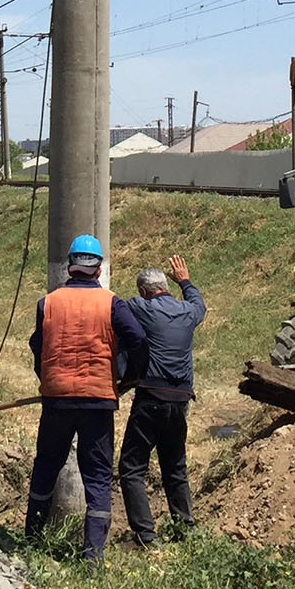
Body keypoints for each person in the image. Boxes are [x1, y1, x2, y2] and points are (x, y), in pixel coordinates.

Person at [25, 234, 148, 566]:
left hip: (57, 399)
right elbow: (138, 340)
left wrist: (47, 378)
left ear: (70, 267)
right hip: (97, 400)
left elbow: (38, 347)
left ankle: (32, 543)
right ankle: (92, 557)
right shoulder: (112, 304)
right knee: (97, 477)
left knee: (46, 467)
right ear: (98, 269)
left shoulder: (47, 303)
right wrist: (129, 377)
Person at [117, 253, 205, 547]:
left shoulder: (140, 307)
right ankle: (185, 530)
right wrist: (185, 281)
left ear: (144, 291)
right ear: (166, 287)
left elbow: (117, 312)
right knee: (175, 466)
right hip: (180, 400)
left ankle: (146, 535)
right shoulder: (188, 311)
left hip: (151, 397)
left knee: (131, 468)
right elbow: (199, 305)